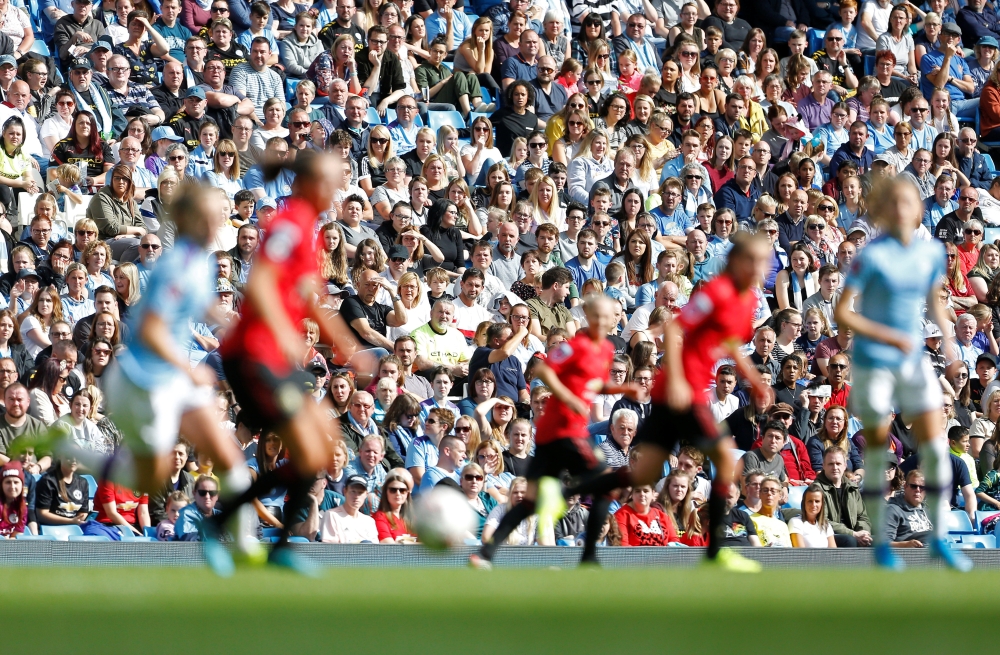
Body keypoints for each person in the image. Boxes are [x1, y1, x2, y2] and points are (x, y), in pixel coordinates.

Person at [563, 236, 773, 572]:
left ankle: (571, 509)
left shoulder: (748, 300)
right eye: (756, 260)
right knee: (724, 460)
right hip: (678, 391)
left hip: (682, 393)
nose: (763, 267)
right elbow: (675, 326)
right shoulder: (717, 293)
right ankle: (715, 553)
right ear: (737, 261)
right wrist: (675, 380)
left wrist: (756, 378)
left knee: (638, 475)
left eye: (766, 260)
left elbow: (730, 341)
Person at [204, 151, 362, 576]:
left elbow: (308, 300)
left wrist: (350, 345)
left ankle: (277, 544)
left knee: (317, 450)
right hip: (252, 354)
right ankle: (224, 527)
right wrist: (289, 338)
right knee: (310, 447)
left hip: (269, 357)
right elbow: (261, 285)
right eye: (332, 180)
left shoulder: (307, 233)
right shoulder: (288, 227)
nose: (337, 188)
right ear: (310, 184)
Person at [835, 175, 971, 570]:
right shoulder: (870, 256)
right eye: (894, 203)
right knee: (877, 449)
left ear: (919, 208)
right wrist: (886, 335)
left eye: (909, 202)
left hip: (912, 359)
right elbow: (843, 312)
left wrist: (947, 337)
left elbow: (933, 299)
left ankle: (940, 539)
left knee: (935, 443)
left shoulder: (930, 253)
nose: (902, 209)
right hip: (874, 361)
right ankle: (880, 543)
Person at [470, 296, 638, 568]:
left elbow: (592, 383)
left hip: (558, 434)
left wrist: (621, 389)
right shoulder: (575, 347)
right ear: (589, 317)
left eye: (610, 318)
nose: (604, 322)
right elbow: (545, 372)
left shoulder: (606, 350)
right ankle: (589, 558)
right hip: (564, 430)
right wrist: (568, 399)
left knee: (531, 502)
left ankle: (484, 555)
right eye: (599, 317)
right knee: (607, 483)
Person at [885, 469, 933, 548]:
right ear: (905, 487)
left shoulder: (926, 510)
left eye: (922, 487)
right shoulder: (893, 510)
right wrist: (906, 545)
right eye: (913, 486)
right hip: (906, 555)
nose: (918, 490)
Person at [789, 483, 837, 547]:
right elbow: (800, 553)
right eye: (810, 501)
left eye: (817, 501)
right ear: (804, 503)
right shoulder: (795, 522)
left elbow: (834, 553)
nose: (813, 505)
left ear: (822, 504)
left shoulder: (826, 525)